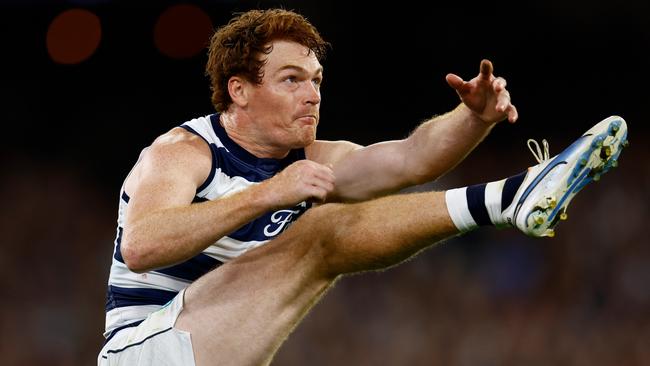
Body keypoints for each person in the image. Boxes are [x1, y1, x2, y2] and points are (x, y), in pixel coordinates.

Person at [97, 8, 628, 366]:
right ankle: (509, 197)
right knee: (321, 232)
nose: (312, 95)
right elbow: (142, 246)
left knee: (324, 230)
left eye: (317, 82)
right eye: (291, 80)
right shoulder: (182, 151)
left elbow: (410, 159)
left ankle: (510, 196)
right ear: (239, 90)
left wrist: (473, 118)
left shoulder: (312, 160)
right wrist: (267, 194)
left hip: (211, 349)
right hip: (144, 352)